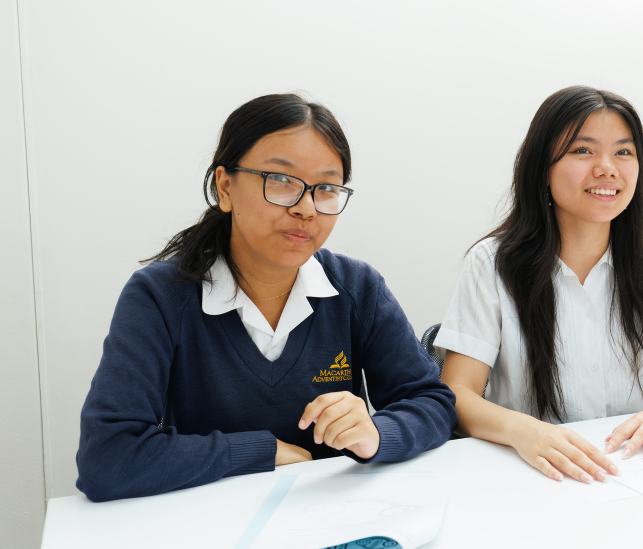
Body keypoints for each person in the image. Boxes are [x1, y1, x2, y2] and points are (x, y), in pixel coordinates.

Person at [76, 94, 457, 502]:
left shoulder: (357, 288)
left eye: (326, 188)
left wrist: (378, 432)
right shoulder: (160, 296)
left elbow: (432, 403)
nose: (307, 208)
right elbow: (108, 458)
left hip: (333, 515)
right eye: (281, 180)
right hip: (209, 520)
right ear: (225, 186)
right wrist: (262, 451)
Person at [435, 86, 643, 484]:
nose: (607, 168)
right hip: (537, 477)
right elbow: (456, 395)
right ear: (542, 167)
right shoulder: (491, 263)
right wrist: (522, 431)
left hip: (639, 471)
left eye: (624, 152)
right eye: (583, 151)